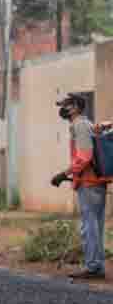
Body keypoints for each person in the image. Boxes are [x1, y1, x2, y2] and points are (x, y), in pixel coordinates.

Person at [51, 94, 107, 280]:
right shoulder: (88, 124)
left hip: (89, 184)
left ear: (75, 107)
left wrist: (64, 174)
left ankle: (93, 267)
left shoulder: (80, 126)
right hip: (95, 182)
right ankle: (96, 266)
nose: (62, 109)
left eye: (65, 105)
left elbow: (85, 156)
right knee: (95, 226)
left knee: (89, 226)